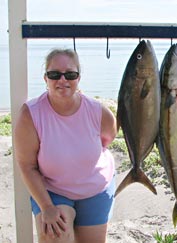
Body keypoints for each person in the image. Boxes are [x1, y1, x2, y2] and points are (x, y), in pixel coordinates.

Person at [14, 48, 117, 243]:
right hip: (53, 191)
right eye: (54, 75)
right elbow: (27, 166)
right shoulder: (31, 115)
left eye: (70, 74)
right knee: (54, 235)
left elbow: (108, 138)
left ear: (78, 78)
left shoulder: (98, 111)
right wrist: (47, 207)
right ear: (45, 78)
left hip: (95, 188)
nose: (62, 80)